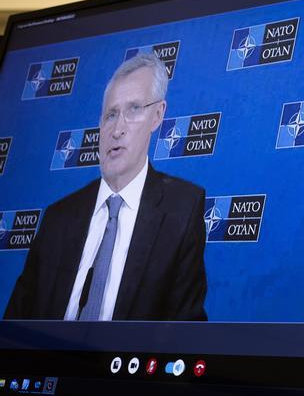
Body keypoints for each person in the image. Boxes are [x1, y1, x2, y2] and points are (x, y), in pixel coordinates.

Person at [5, 53, 207, 321]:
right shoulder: (58, 218)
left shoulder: (181, 210)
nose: (117, 129)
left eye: (134, 109)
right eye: (111, 114)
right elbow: (15, 328)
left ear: (158, 115)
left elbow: (184, 335)